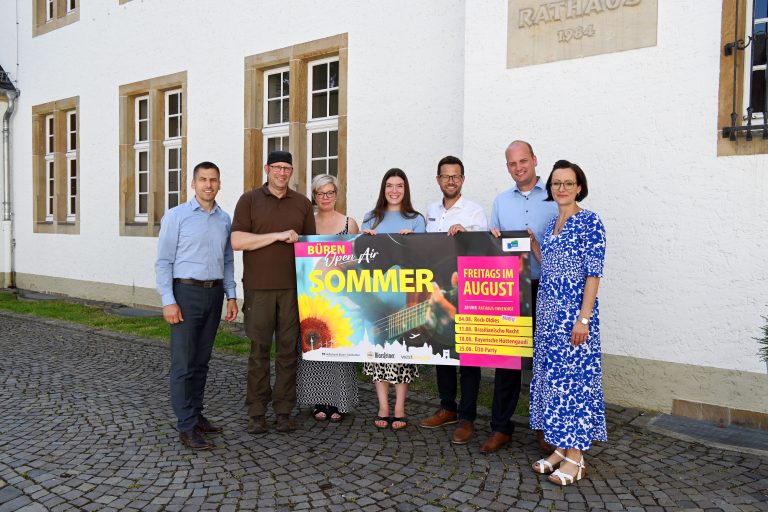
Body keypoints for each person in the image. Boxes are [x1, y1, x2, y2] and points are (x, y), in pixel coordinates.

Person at [528, 160, 607, 486]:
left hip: (573, 318)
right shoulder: (552, 223)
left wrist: (583, 319)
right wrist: (534, 244)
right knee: (554, 383)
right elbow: (550, 264)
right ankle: (560, 449)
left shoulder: (590, 222)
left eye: (568, 183)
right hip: (548, 316)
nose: (561, 188)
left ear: (579, 187)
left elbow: (593, 273)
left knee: (573, 385)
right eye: (556, 183)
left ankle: (576, 458)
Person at [155, 161, 239, 450]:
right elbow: (163, 261)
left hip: (213, 294)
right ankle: (186, 426)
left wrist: (231, 295)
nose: (208, 185)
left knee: (202, 361)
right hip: (185, 293)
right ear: (193, 184)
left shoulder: (224, 219)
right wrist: (168, 301)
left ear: (219, 184)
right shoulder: (176, 216)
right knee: (184, 362)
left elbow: (227, 260)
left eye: (213, 180)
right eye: (203, 179)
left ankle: (196, 414)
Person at [231, 151, 316, 434]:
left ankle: (283, 410)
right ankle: (256, 412)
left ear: (291, 171)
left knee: (288, 353)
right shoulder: (249, 200)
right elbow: (237, 241)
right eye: (277, 167)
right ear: (267, 169)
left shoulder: (302, 203)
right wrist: (278, 236)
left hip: (292, 289)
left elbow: (310, 248)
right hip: (259, 288)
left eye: (287, 168)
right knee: (259, 352)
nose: (282, 173)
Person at [487, 140, 558, 454]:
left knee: (546, 361)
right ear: (507, 167)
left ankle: (547, 429)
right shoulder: (501, 202)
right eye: (512, 163)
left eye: (523, 161)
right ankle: (501, 427)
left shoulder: (555, 199)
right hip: (512, 291)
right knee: (508, 361)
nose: (519, 168)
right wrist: (492, 239)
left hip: (546, 288)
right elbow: (492, 249)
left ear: (534, 160)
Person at [418, 155, 488, 445]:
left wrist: (466, 234)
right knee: (443, 352)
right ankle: (447, 408)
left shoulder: (475, 211)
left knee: (470, 357)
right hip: (439, 291)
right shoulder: (431, 211)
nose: (451, 181)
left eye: (456, 176)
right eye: (446, 176)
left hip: (468, 293)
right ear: (438, 179)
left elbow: (485, 250)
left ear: (463, 179)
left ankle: (467, 418)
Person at [361, 168, 426, 431]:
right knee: (378, 350)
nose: (394, 190)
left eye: (399, 185)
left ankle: (399, 407)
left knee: (402, 352)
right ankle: (383, 406)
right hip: (376, 293)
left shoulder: (416, 220)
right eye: (390, 185)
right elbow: (361, 258)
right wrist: (365, 241)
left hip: (404, 295)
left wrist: (414, 243)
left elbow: (424, 259)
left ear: (405, 189)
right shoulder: (370, 218)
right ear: (383, 188)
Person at [296, 174, 360, 422]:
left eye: (330, 192)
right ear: (314, 196)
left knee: (339, 349)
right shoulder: (307, 224)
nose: (325, 197)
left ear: (336, 194)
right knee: (315, 347)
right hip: (313, 296)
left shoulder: (349, 224)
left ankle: (339, 401)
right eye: (320, 193)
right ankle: (318, 401)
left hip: (340, 296)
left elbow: (357, 261)